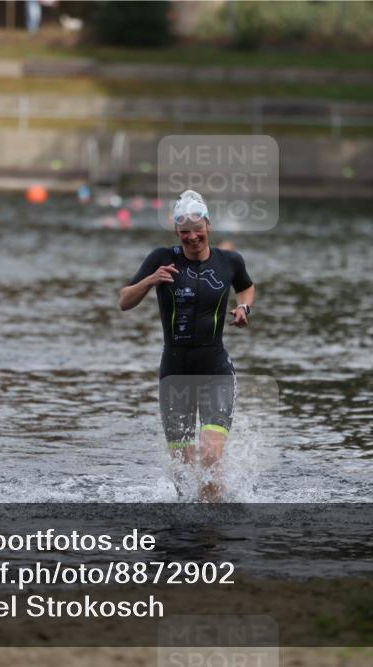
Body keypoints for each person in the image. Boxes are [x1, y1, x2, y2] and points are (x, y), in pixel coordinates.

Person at [119, 190, 255, 502]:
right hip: (175, 373)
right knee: (182, 469)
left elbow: (246, 287)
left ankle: (211, 529)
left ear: (208, 225)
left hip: (215, 370)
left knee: (210, 454)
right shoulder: (161, 259)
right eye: (184, 233)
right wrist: (150, 280)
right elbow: (124, 301)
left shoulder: (229, 261)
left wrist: (245, 308)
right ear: (176, 232)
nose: (192, 237)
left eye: (198, 230)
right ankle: (188, 531)